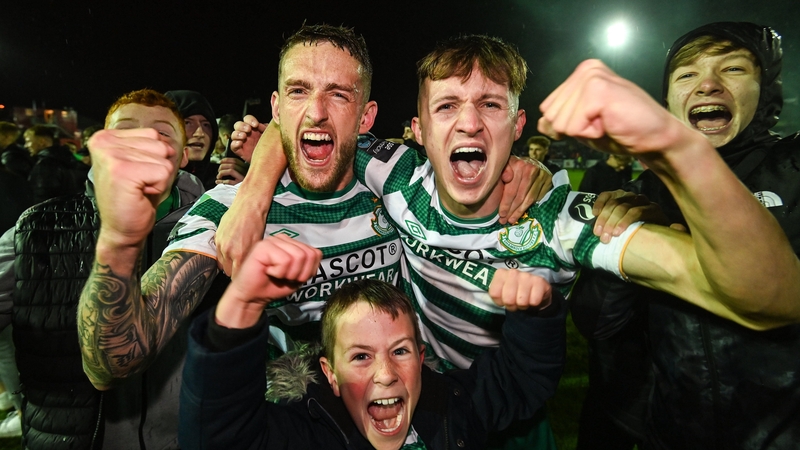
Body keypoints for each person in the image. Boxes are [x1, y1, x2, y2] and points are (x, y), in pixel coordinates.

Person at [571, 22, 800, 449]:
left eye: (732, 69)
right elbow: (598, 324)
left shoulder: (794, 168)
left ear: (766, 89)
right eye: (687, 74)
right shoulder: (647, 192)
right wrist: (626, 242)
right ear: (669, 100)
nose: (708, 84)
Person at [179, 236, 566, 450]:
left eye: (400, 351)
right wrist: (242, 305)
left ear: (421, 356)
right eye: (361, 356)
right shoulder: (308, 433)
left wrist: (538, 309)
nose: (385, 375)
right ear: (330, 375)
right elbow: (219, 439)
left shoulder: (449, 404)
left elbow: (521, 379)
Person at [0, 88, 211, 449]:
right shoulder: (38, 229)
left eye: (161, 132)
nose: (143, 141)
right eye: (126, 130)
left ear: (183, 156)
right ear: (99, 149)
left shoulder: (214, 227)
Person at [165, 90, 221, 190]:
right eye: (187, 123)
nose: (200, 133)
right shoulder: (144, 180)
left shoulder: (223, 181)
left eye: (206, 125)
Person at [24, 124, 85, 203]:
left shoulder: (45, 165)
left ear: (42, 141)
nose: (26, 146)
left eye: (28, 141)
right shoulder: (68, 158)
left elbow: (42, 199)